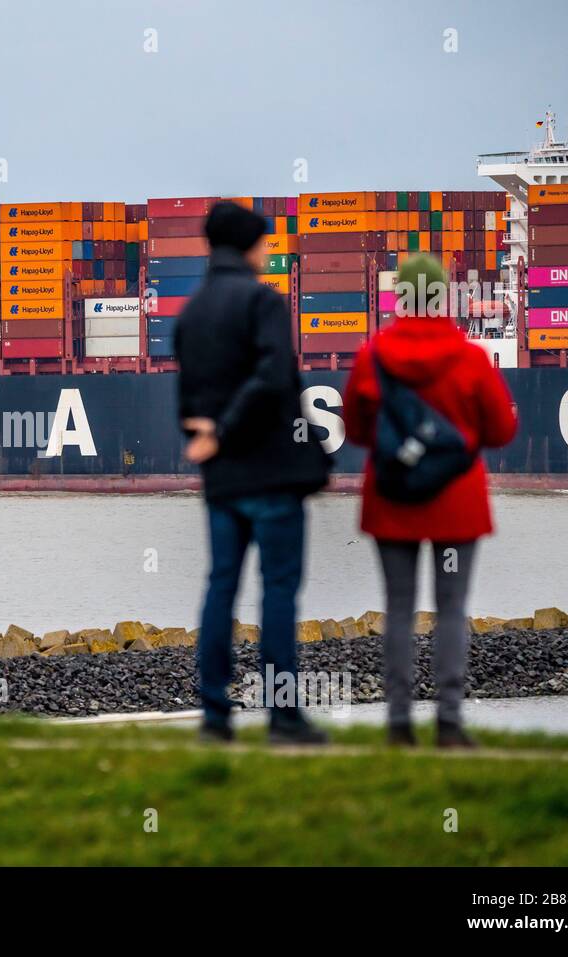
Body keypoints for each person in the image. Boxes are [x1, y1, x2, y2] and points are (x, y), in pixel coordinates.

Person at [343, 254, 517, 748]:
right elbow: (501, 431)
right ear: (445, 298)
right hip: (456, 501)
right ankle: (449, 724)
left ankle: (399, 724)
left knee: (398, 609)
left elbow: (356, 430)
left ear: (400, 298)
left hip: (392, 497)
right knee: (451, 609)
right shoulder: (471, 358)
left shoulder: (372, 356)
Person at [174, 202, 332, 745]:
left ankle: (215, 718)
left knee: (220, 588)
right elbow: (275, 380)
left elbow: (186, 404)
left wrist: (209, 432)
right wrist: (230, 427)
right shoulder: (262, 303)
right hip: (270, 473)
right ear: (247, 247)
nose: (268, 254)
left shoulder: (191, 314)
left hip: (221, 481)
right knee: (279, 591)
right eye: (264, 244)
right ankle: (283, 716)